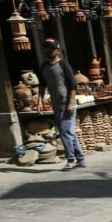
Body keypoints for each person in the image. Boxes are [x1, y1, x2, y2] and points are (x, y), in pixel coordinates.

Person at [39, 38, 86, 170]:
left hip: (66, 103)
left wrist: (71, 103)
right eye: (46, 48)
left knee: (65, 132)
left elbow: (73, 85)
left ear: (57, 50)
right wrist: (39, 101)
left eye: (51, 48)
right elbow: (42, 85)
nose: (48, 51)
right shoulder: (44, 67)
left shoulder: (63, 65)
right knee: (69, 132)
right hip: (56, 104)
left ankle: (71, 159)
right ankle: (80, 159)